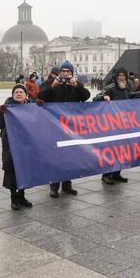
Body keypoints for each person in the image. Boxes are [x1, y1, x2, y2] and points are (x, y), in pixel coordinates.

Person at [38, 60, 90, 198]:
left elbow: (86, 96)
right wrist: (52, 87)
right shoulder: (51, 84)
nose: (65, 74)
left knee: (70, 156)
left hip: (70, 126)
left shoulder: (75, 85)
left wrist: (77, 86)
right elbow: (40, 97)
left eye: (68, 72)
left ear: (72, 73)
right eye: (63, 71)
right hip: (55, 125)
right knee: (56, 157)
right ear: (59, 73)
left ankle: (67, 185)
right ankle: (54, 186)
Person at [94, 68, 140, 184]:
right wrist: (103, 98)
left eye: (123, 76)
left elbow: (130, 96)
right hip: (112, 125)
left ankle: (117, 173)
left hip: (123, 125)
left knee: (122, 150)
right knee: (111, 150)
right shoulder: (110, 88)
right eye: (120, 76)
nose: (122, 78)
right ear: (116, 77)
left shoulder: (125, 88)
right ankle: (106, 175)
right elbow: (95, 98)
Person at [0, 84, 33, 210]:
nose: (18, 93)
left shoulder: (30, 107)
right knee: (11, 170)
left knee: (24, 169)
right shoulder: (7, 107)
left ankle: (21, 196)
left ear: (25, 94)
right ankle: (13, 198)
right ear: (12, 95)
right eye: (16, 92)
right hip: (10, 143)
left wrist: (40, 108)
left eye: (21, 91)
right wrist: (1, 113)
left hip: (25, 143)